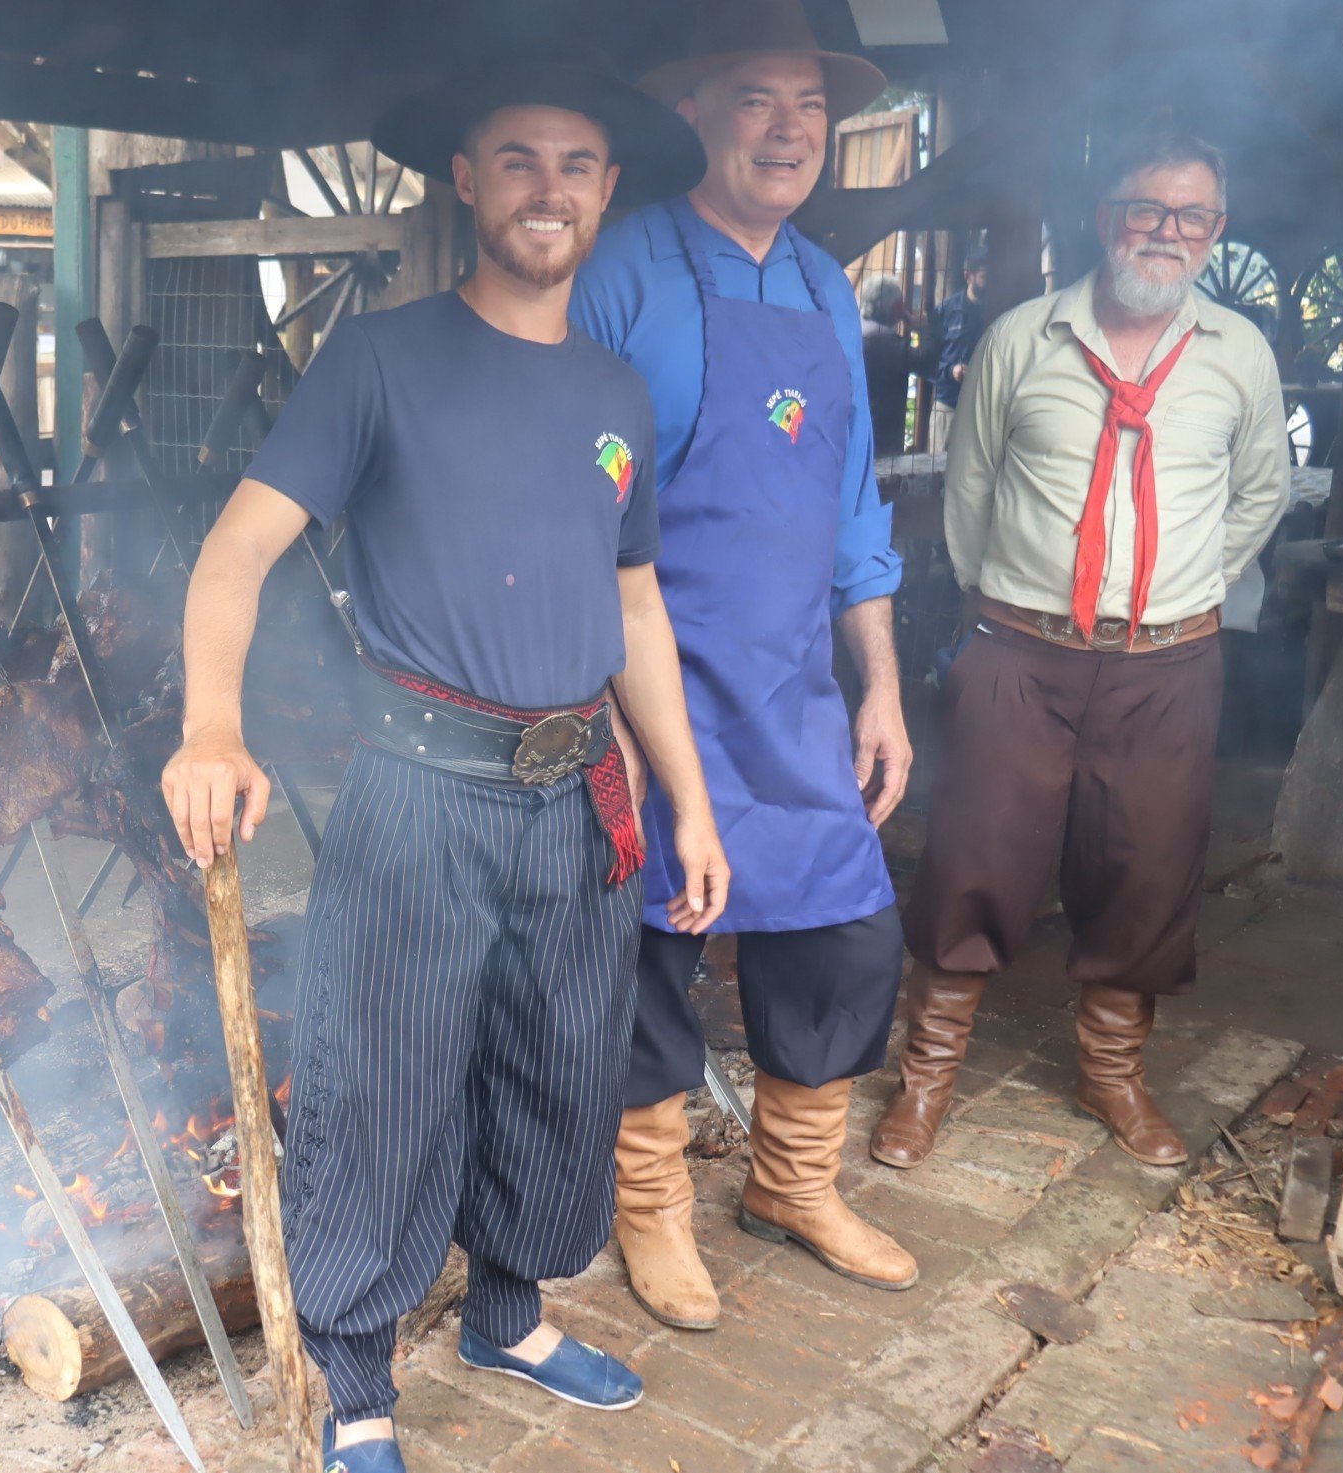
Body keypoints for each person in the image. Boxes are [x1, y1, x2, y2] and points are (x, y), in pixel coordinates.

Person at [162, 62, 728, 1473]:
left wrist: (693, 798)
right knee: (385, 1079)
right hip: (419, 790)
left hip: (579, 793)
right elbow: (235, 549)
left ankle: (512, 1314)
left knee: (558, 1064)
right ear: (466, 180)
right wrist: (210, 726)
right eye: (521, 159)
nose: (553, 187)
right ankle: (355, 1380)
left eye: (579, 163)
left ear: (608, 190)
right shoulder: (380, 360)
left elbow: (637, 606)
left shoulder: (617, 391)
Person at [571, 0, 920, 1335]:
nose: (789, 131)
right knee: (654, 940)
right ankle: (652, 1206)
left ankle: (792, 1182)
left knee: (843, 929)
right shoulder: (628, 270)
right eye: (758, 100)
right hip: (646, 678)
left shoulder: (829, 286)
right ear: (699, 113)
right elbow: (581, 489)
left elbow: (852, 512)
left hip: (790, 688)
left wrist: (878, 683)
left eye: (811, 107)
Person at [873, 130, 1291, 1172]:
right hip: (1021, 649)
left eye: (1191, 217)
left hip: (1170, 663)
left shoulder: (1241, 354)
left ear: (1216, 232)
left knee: (1148, 867)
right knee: (974, 856)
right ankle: (926, 1078)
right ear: (1109, 220)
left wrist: (1178, 597)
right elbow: (969, 490)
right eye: (1147, 210)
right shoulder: (1023, 336)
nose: (1167, 233)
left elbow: (1258, 498)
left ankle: (1114, 1075)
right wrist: (1018, 605)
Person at [926, 244, 988, 449]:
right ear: (968, 276)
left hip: (982, 410)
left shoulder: (997, 311)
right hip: (948, 405)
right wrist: (951, 371)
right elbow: (928, 360)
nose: (990, 283)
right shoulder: (946, 310)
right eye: (984, 276)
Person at [859, 272, 916, 453]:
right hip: (882, 436)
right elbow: (927, 362)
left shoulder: (858, 328)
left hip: (861, 428)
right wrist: (921, 326)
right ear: (894, 307)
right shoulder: (884, 340)